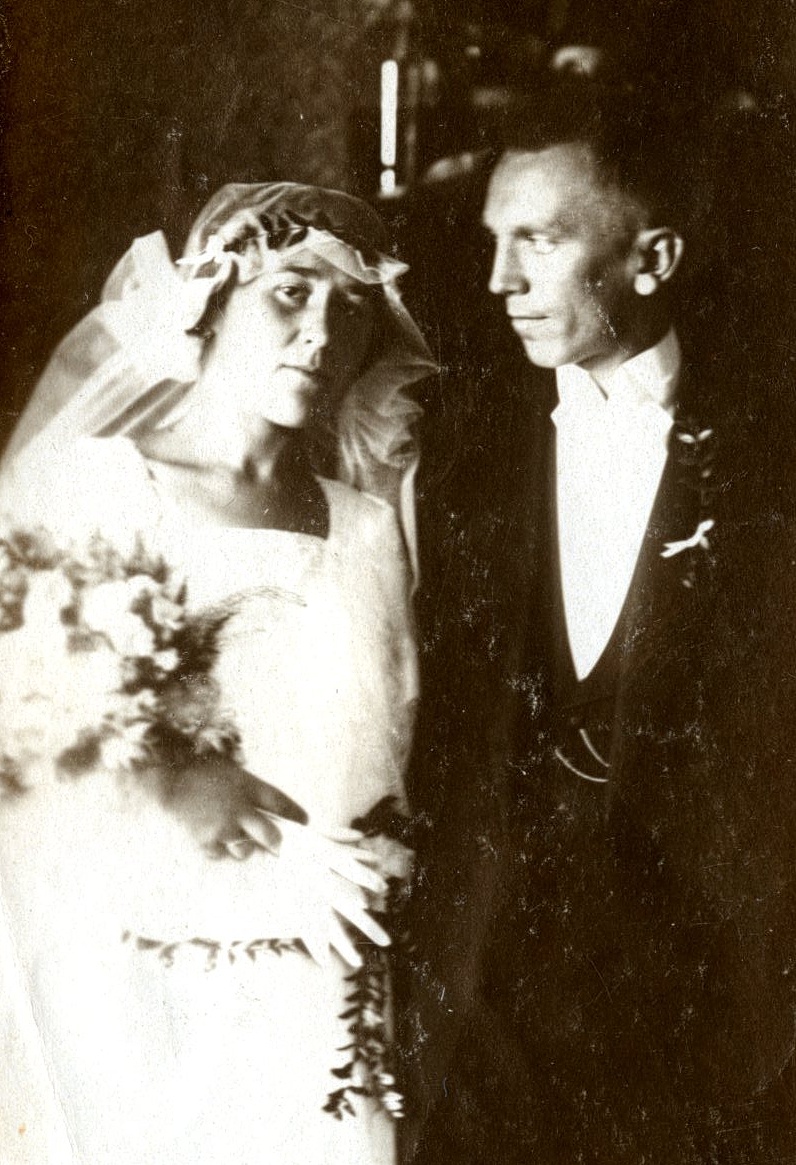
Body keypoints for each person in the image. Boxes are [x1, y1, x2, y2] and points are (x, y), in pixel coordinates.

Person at [0, 181, 435, 1165]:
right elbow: (26, 750)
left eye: (352, 306)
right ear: (210, 301)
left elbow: (386, 747)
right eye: (290, 292)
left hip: (317, 980)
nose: (321, 333)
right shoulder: (97, 486)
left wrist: (383, 854)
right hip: (137, 980)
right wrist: (175, 786)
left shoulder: (369, 527)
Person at [402, 83, 796, 1163]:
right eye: (494, 240)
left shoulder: (770, 451)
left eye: (538, 240)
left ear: (651, 259)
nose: (500, 280)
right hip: (488, 998)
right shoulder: (461, 449)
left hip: (712, 1004)